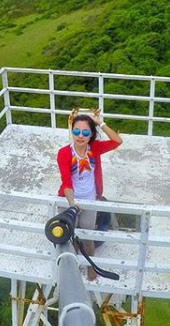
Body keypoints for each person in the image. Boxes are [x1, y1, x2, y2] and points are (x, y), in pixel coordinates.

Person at [56, 113, 122, 280]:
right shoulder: (64, 153)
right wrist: (73, 206)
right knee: (69, 237)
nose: (80, 136)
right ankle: (72, 267)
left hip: (90, 199)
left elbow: (117, 141)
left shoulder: (95, 148)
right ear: (72, 132)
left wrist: (101, 123)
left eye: (86, 132)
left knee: (87, 236)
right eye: (76, 131)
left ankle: (90, 266)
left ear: (91, 134)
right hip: (69, 200)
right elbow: (66, 182)